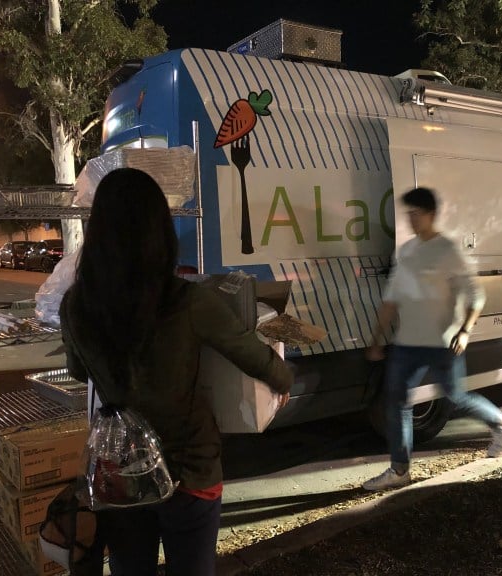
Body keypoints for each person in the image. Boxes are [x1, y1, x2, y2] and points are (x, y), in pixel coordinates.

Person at [60, 168, 293, 576]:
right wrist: (282, 380)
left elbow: (80, 371)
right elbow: (249, 353)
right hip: (190, 470)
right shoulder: (187, 301)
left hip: (120, 473)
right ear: (159, 233)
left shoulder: (76, 305)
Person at [362, 187, 502, 492]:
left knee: (455, 396)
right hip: (407, 342)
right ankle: (399, 469)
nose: (410, 219)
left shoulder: (448, 250)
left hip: (442, 341)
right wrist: (377, 340)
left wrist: (465, 331)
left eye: (416, 213)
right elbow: (391, 300)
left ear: (431, 214)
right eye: (407, 214)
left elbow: (476, 294)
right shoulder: (406, 251)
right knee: (396, 402)